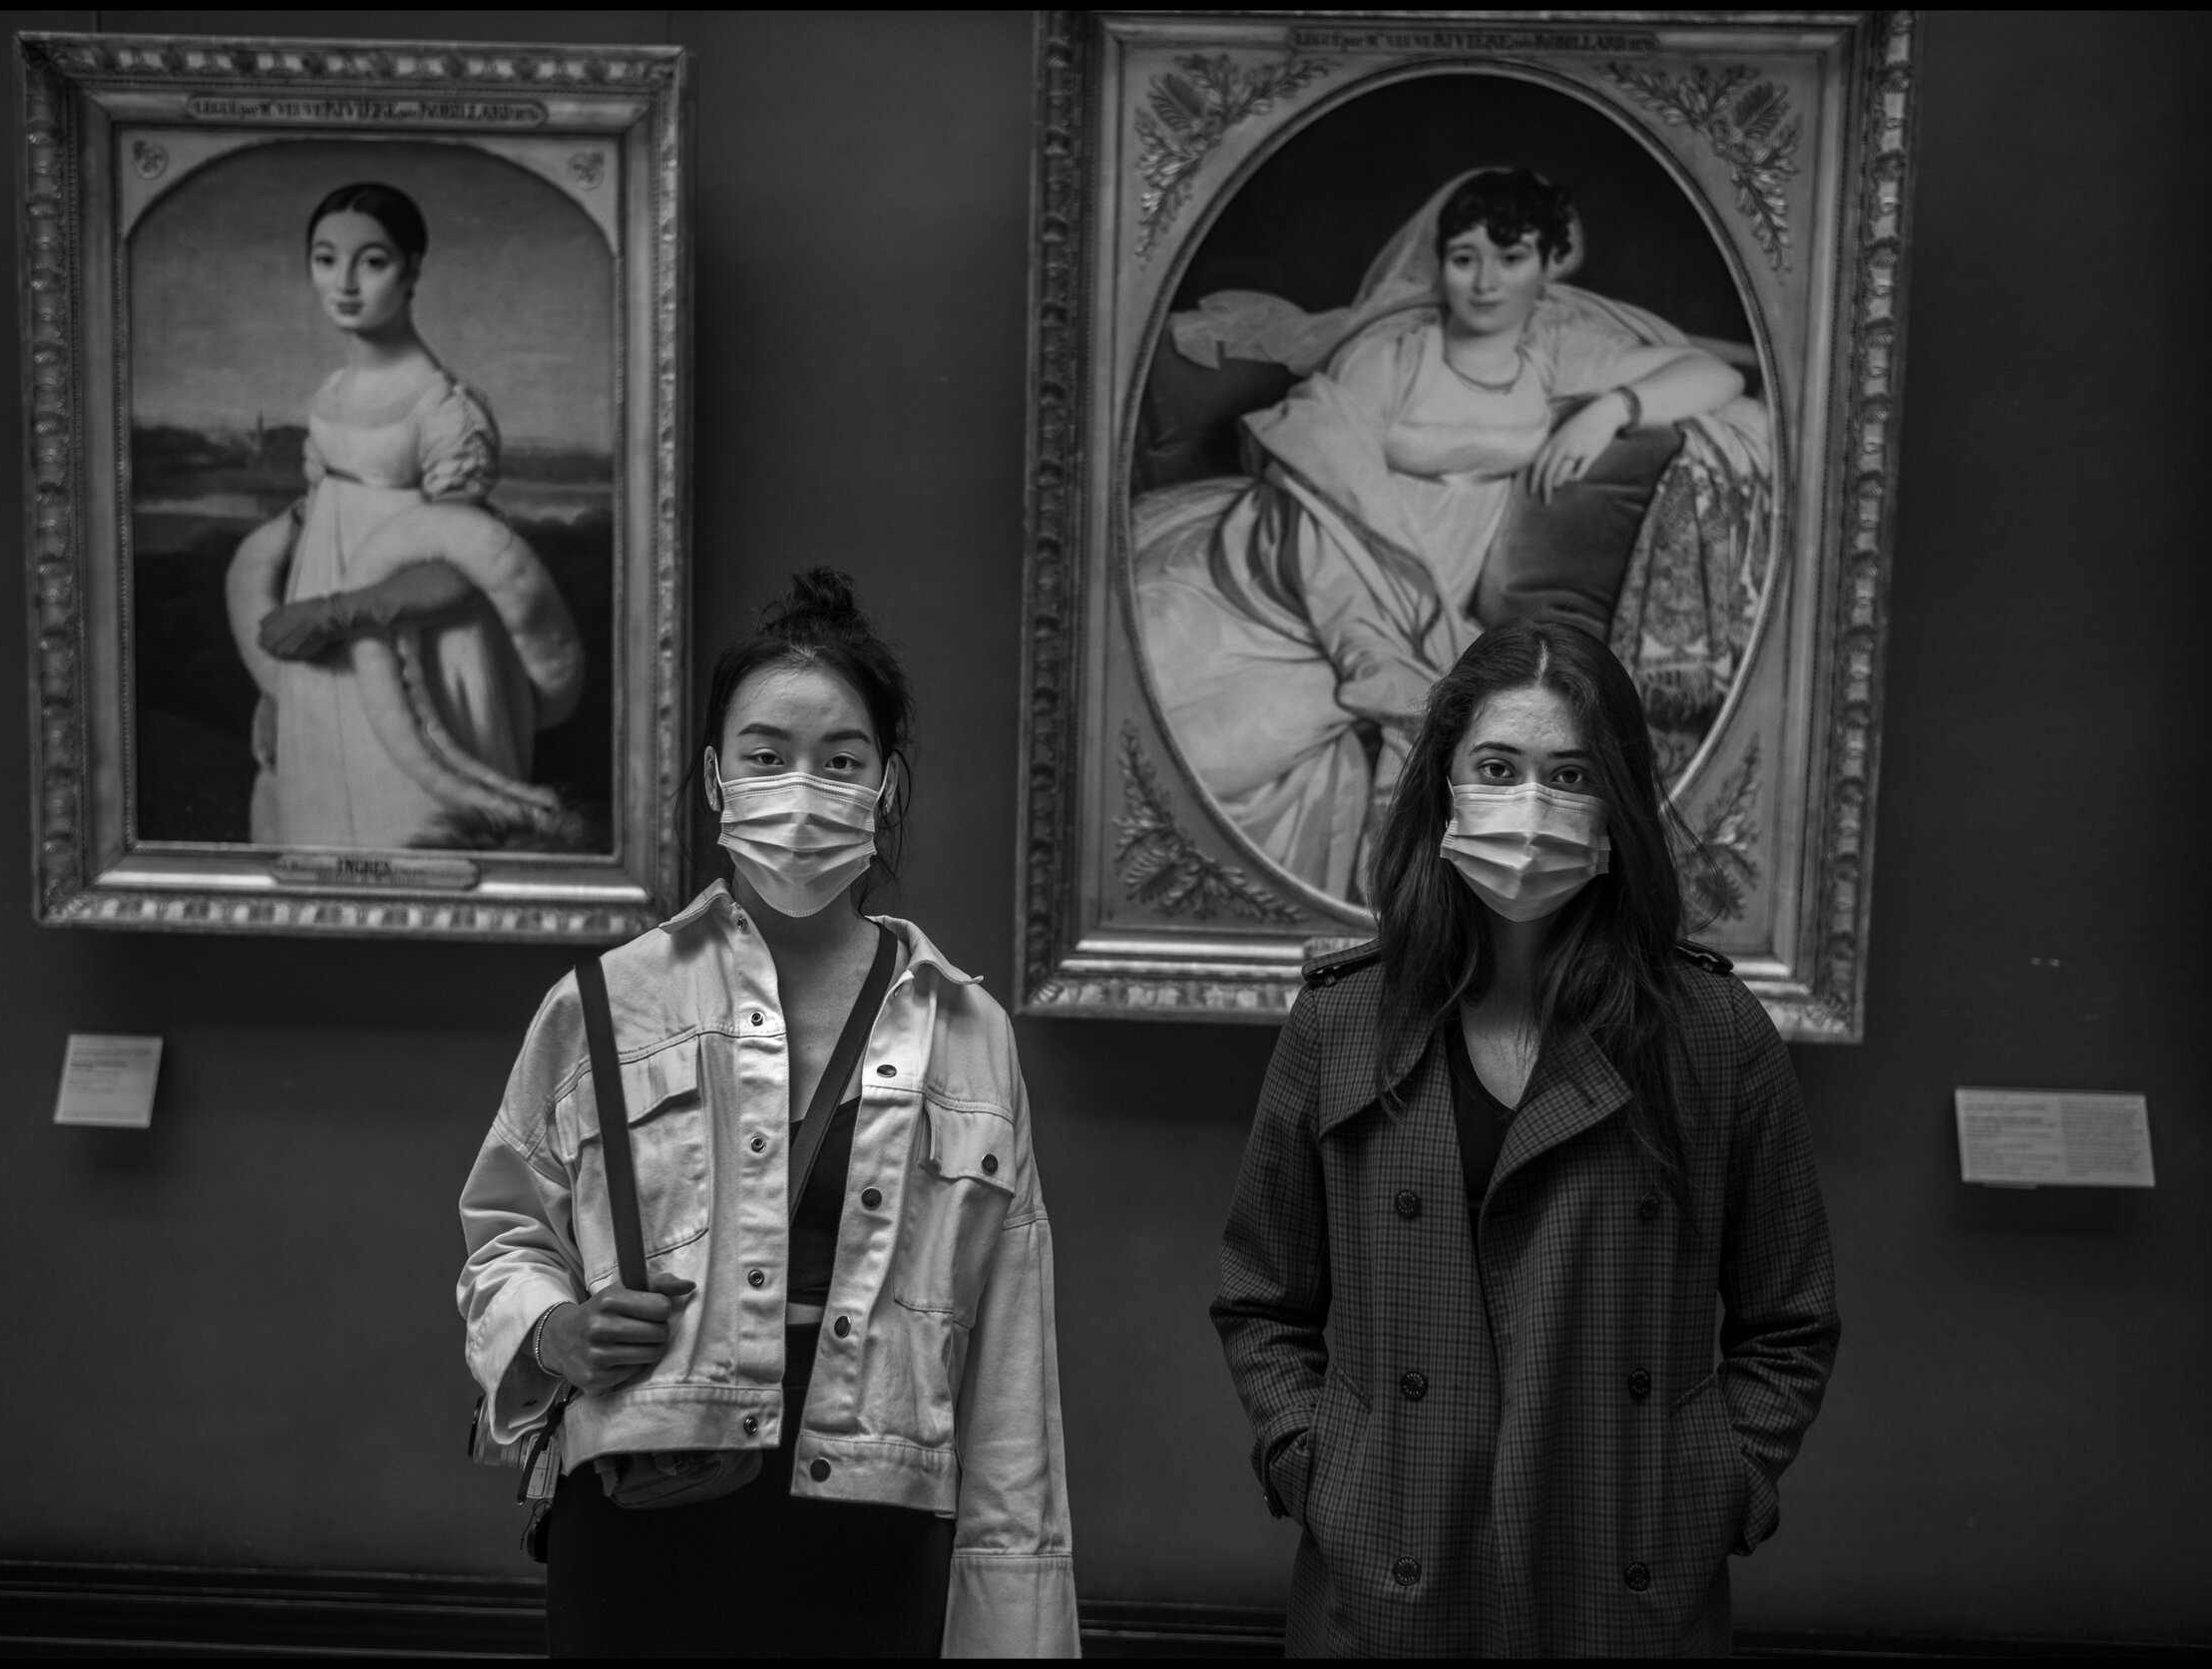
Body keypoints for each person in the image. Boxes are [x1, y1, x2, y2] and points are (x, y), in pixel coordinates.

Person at [458, 571, 1078, 1657]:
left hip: (872, 1531)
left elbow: (1012, 1350)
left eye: (840, 758)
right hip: (650, 1511)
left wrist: (1015, 1616)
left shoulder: (963, 1028)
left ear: (884, 784)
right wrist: (552, 1331)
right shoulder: (605, 1001)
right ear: (714, 777)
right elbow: (505, 1237)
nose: (802, 786)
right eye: (765, 754)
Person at [1209, 620, 1837, 1656]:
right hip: (1388, 1580)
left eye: (1569, 772)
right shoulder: (1341, 1020)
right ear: (1445, 785)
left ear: (1617, 803)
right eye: (1497, 767)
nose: (1531, 805)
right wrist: (1320, 1467)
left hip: (1622, 1573)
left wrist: (1708, 1486)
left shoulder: (1713, 1034)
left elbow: (1790, 1321)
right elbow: (1260, 1297)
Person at [1135, 168, 1769, 902]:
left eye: (1511, 258)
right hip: (1314, 558)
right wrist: (1370, 636)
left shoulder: (1557, 351)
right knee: (1216, 726)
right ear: (1440, 264)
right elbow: (1325, 486)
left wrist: (1612, 410)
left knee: (1286, 739)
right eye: (1465, 258)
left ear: (1548, 263)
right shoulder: (1396, 352)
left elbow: (1712, 375)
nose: (1486, 282)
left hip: (1431, 580)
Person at [225, 182, 584, 850]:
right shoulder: (329, 397)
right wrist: (278, 690)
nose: (346, 283)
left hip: (426, 658)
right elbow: (311, 544)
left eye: (374, 261)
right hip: (321, 662)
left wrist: (333, 614)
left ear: (414, 267)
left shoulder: (445, 409)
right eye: (327, 259)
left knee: (422, 837)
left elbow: (464, 564)